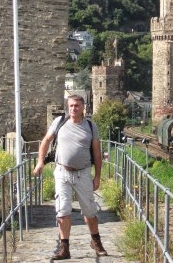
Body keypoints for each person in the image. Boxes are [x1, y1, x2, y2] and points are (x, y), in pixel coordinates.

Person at [33, 94, 108, 260]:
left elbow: (97, 153)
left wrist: (97, 176)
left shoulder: (90, 126)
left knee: (90, 211)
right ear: (68, 106)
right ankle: (64, 248)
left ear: (83, 107)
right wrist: (40, 162)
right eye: (71, 105)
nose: (74, 108)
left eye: (77, 106)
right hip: (62, 173)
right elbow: (46, 141)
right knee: (62, 210)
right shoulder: (59, 122)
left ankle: (96, 242)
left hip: (83, 173)